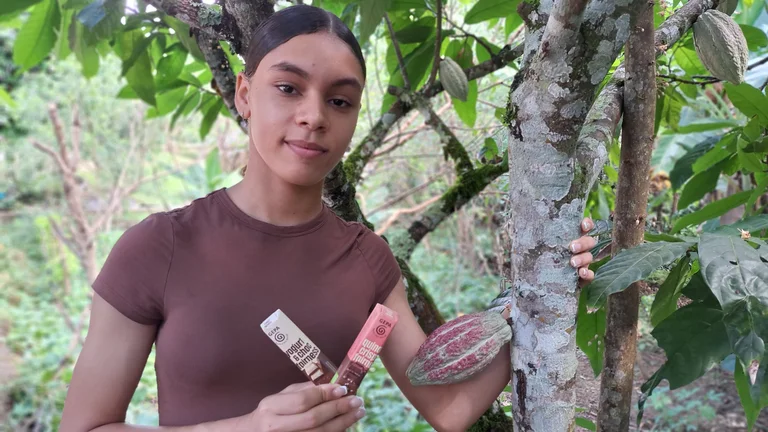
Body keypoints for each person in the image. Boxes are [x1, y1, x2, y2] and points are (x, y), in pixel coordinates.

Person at [59, 5, 597, 432]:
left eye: (340, 101)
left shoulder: (367, 259)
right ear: (244, 94)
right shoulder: (159, 247)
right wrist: (249, 428)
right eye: (288, 88)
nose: (313, 116)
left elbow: (448, 408)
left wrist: (544, 287)